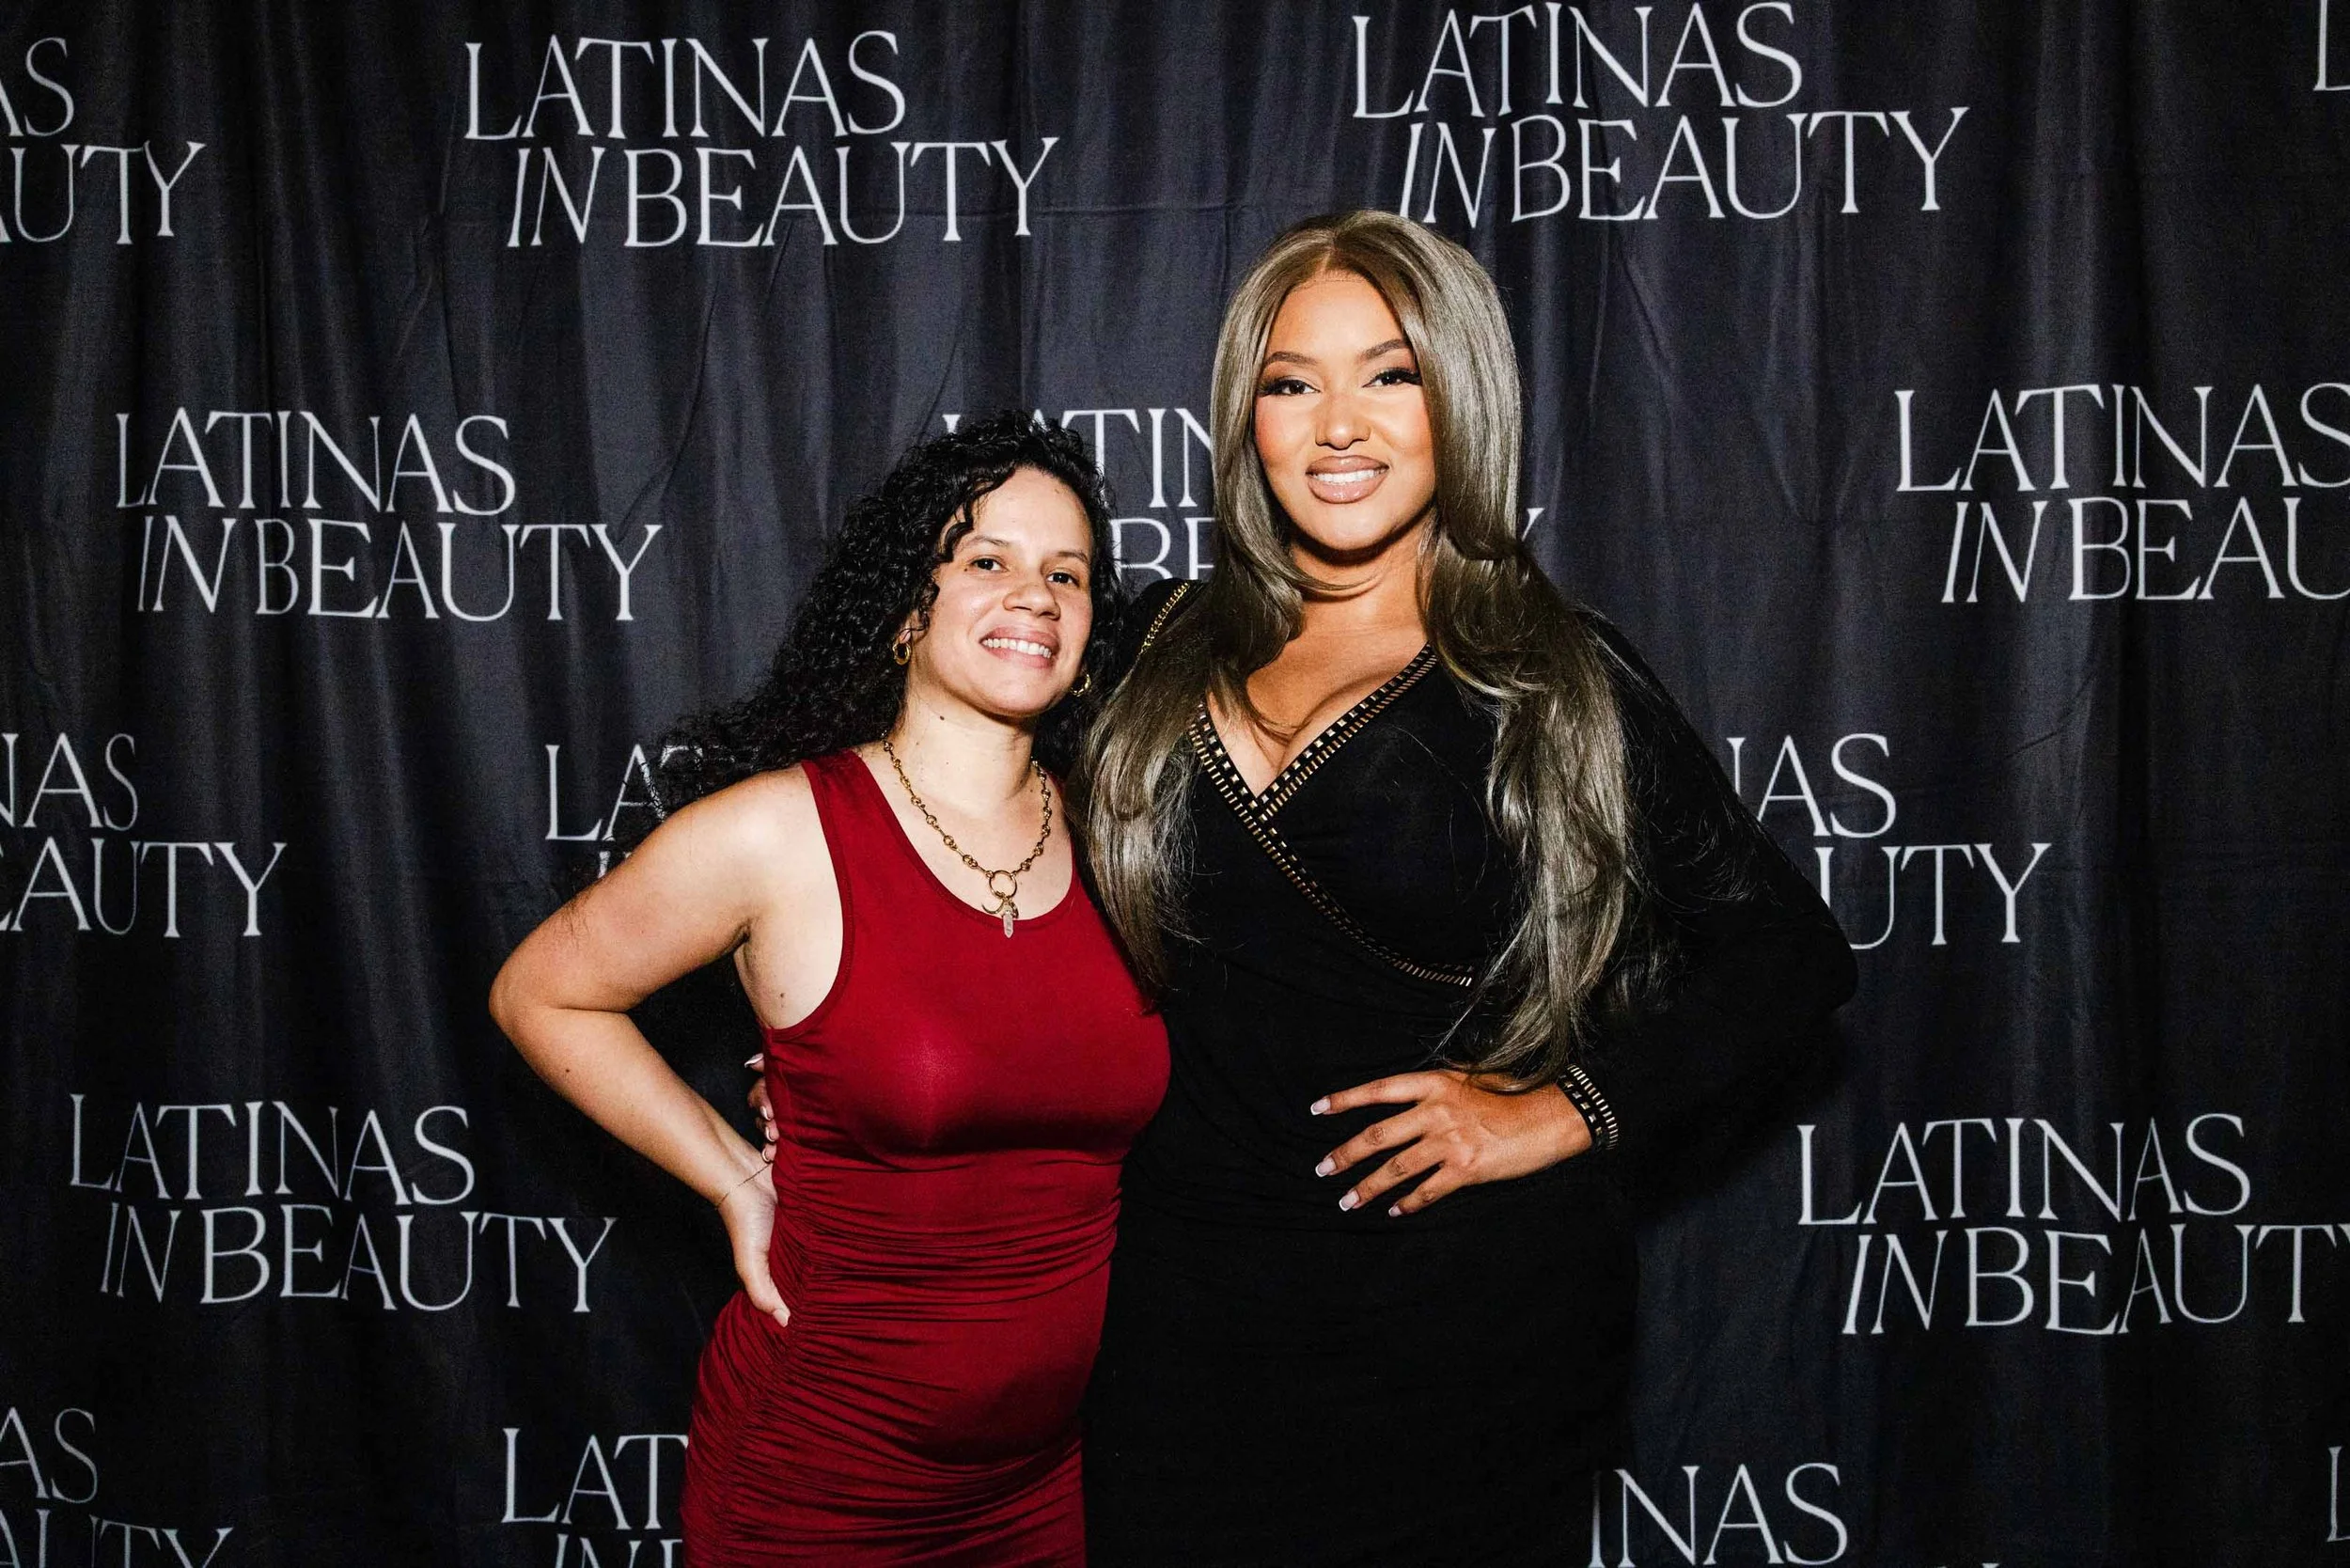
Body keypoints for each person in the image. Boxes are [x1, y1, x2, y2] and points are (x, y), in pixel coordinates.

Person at [1071, 211, 1860, 1565]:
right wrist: (827, 1046)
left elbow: (1788, 957)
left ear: (1461, 397)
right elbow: (933, 830)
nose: (1339, 427)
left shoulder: (1550, 677)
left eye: (1391, 375)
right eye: (1290, 381)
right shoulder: (1146, 646)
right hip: (1180, 1318)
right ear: (1244, 417)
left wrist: (1559, 1110)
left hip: (1458, 1334)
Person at [489, 412, 1168, 1567]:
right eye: (986, 561)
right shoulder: (780, 834)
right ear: (908, 607)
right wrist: (734, 1179)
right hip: (821, 1480)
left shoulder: (1127, 837)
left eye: (1068, 574)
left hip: (1041, 1487)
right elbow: (541, 993)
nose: (1037, 595)